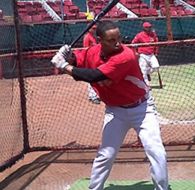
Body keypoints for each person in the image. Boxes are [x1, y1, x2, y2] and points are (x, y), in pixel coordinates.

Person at [51, 21, 170, 190]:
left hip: (142, 109)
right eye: (111, 40)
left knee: (156, 151)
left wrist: (64, 65)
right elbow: (79, 61)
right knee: (106, 154)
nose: (117, 43)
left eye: (119, 38)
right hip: (116, 112)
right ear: (100, 40)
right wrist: (68, 57)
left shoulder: (125, 56)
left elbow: (94, 76)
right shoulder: (93, 52)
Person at [131, 21, 160, 86]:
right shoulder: (139, 35)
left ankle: (148, 73)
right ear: (144, 28)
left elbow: (157, 43)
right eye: (148, 27)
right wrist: (135, 51)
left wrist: (156, 52)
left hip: (151, 54)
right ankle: (147, 85)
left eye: (150, 27)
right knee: (143, 70)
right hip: (143, 55)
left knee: (156, 67)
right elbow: (133, 43)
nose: (150, 28)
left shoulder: (153, 34)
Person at [83, 24, 101, 104]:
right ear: (89, 29)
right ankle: (92, 96)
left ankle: (95, 95)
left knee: (96, 77)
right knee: (91, 78)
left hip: (95, 59)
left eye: (95, 29)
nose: (94, 30)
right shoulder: (87, 37)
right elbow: (85, 50)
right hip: (89, 60)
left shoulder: (93, 37)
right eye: (93, 29)